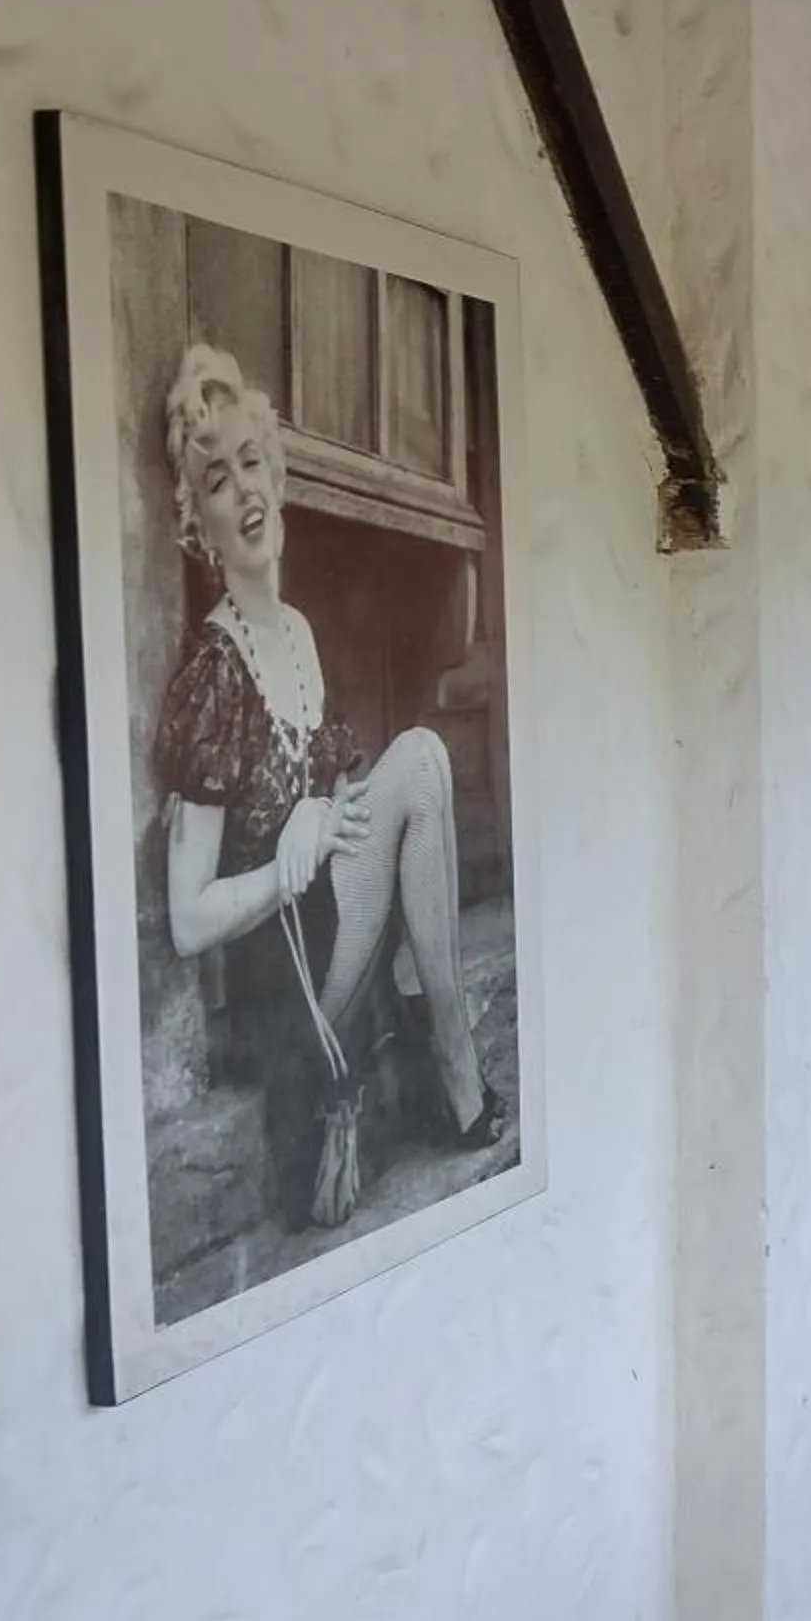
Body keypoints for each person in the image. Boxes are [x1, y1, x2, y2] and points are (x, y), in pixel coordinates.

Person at [155, 341, 502, 1230]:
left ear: (275, 472)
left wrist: (326, 810)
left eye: (250, 462)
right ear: (198, 525)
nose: (244, 489)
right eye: (217, 482)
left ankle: (448, 1048)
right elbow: (190, 921)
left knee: (418, 758)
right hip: (282, 968)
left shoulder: (300, 634)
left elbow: (333, 797)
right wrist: (284, 863)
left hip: (331, 924)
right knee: (424, 755)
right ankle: (453, 1066)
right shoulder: (213, 673)